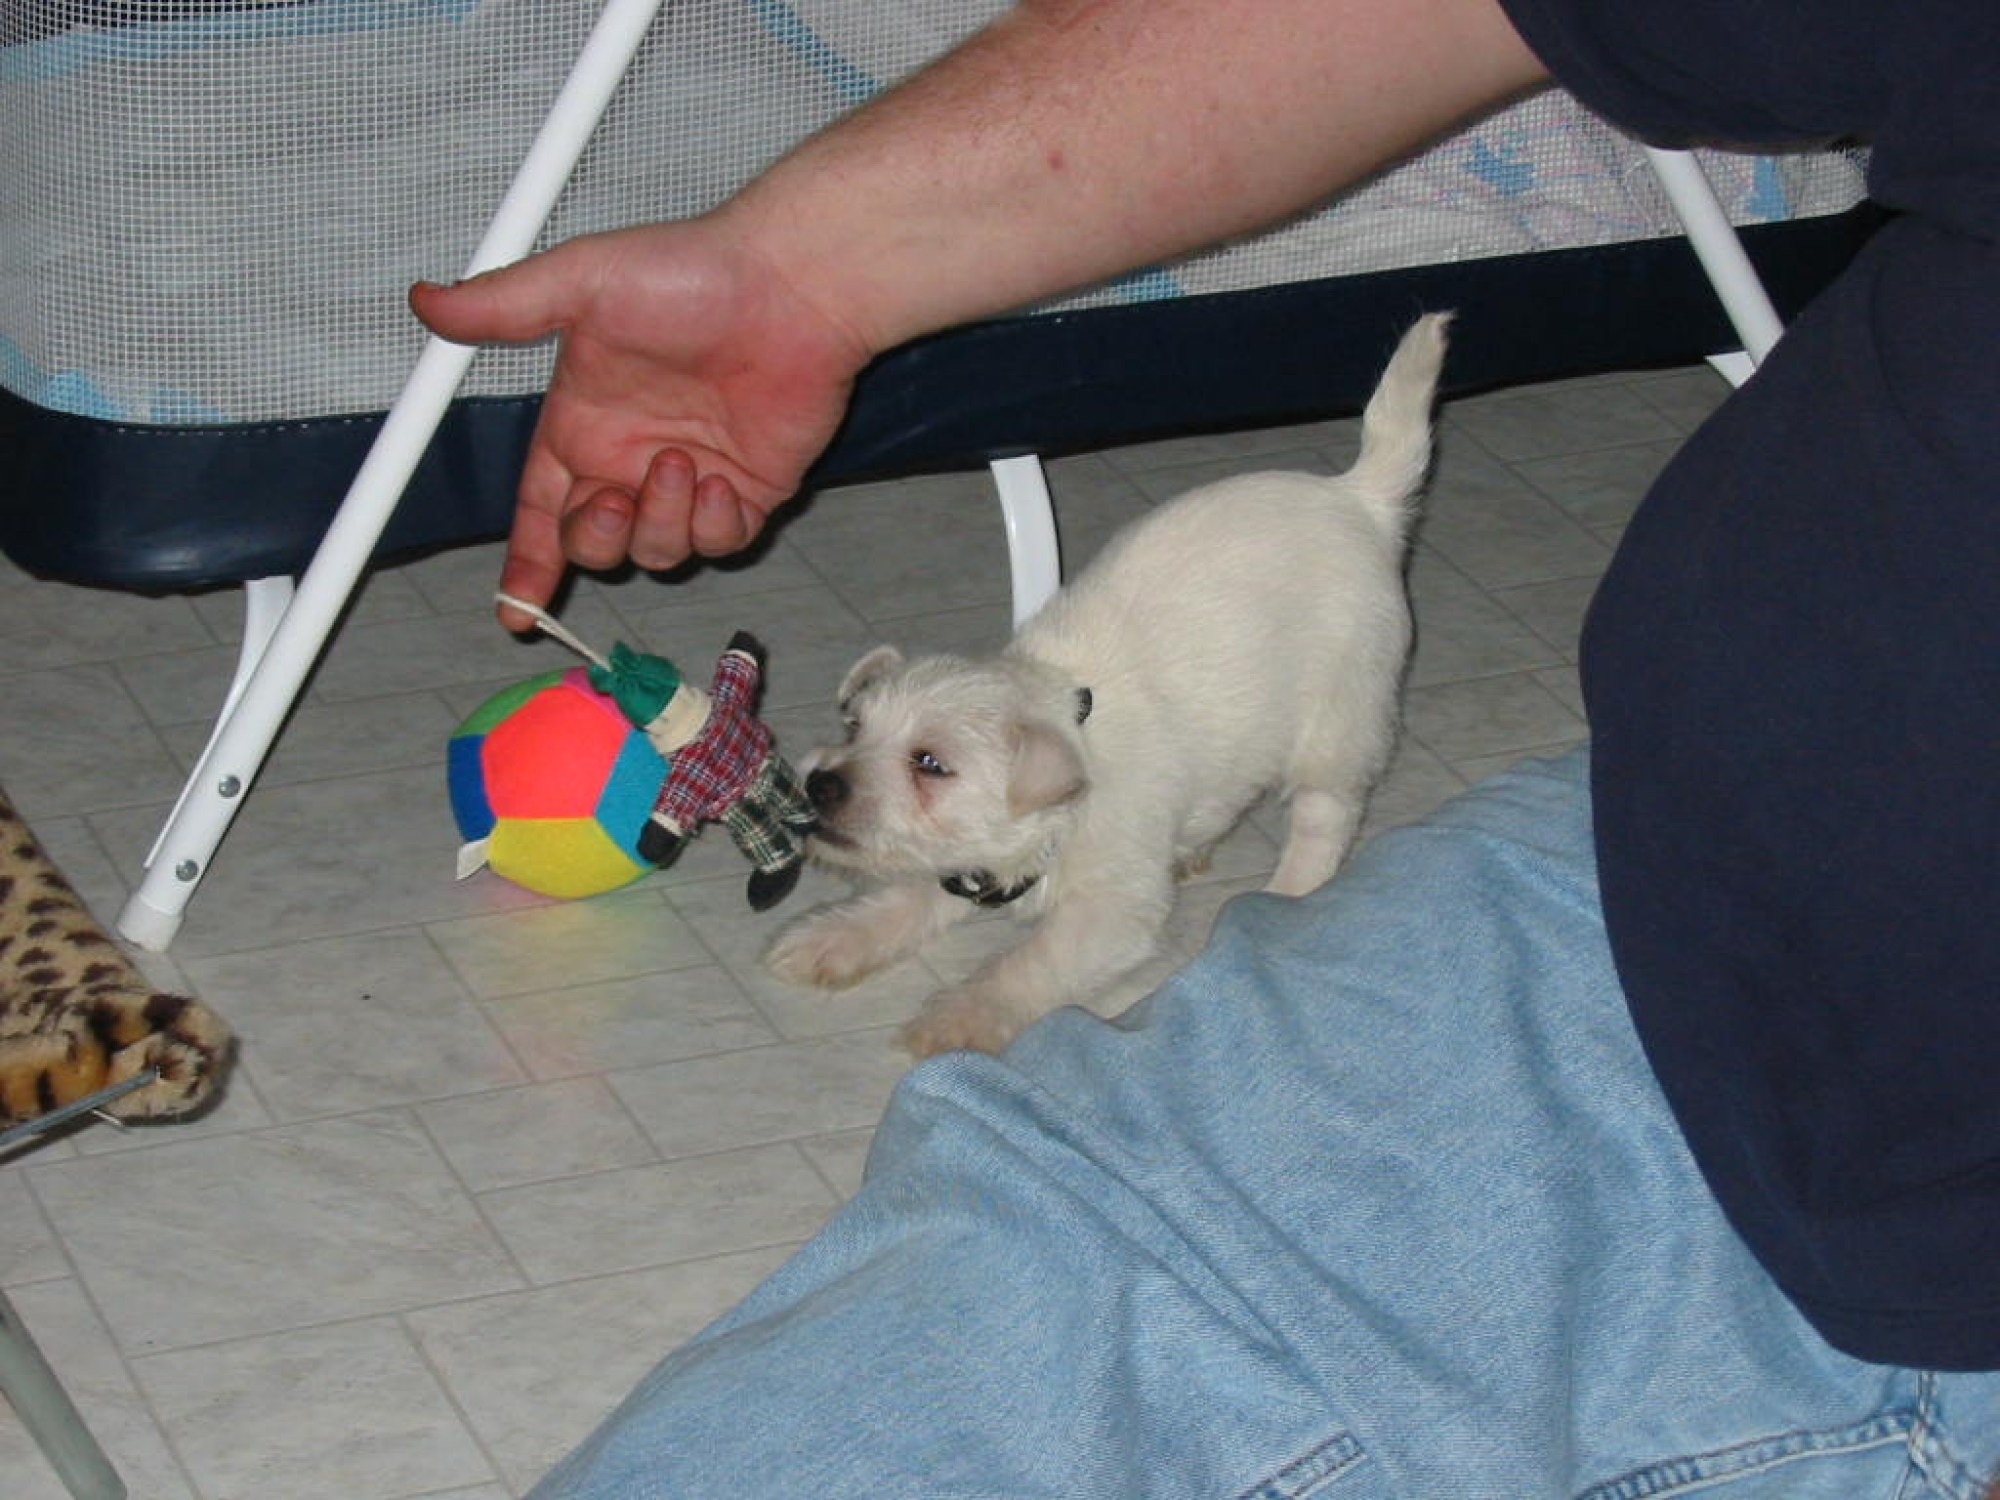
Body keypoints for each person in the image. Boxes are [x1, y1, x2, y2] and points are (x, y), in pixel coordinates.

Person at [411, 0, 2000, 1494]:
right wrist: (800, 269)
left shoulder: (1095, 764)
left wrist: (1011, 982)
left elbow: (1108, 911)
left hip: (1893, 1151)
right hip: (1654, 841)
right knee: (965, 1235)